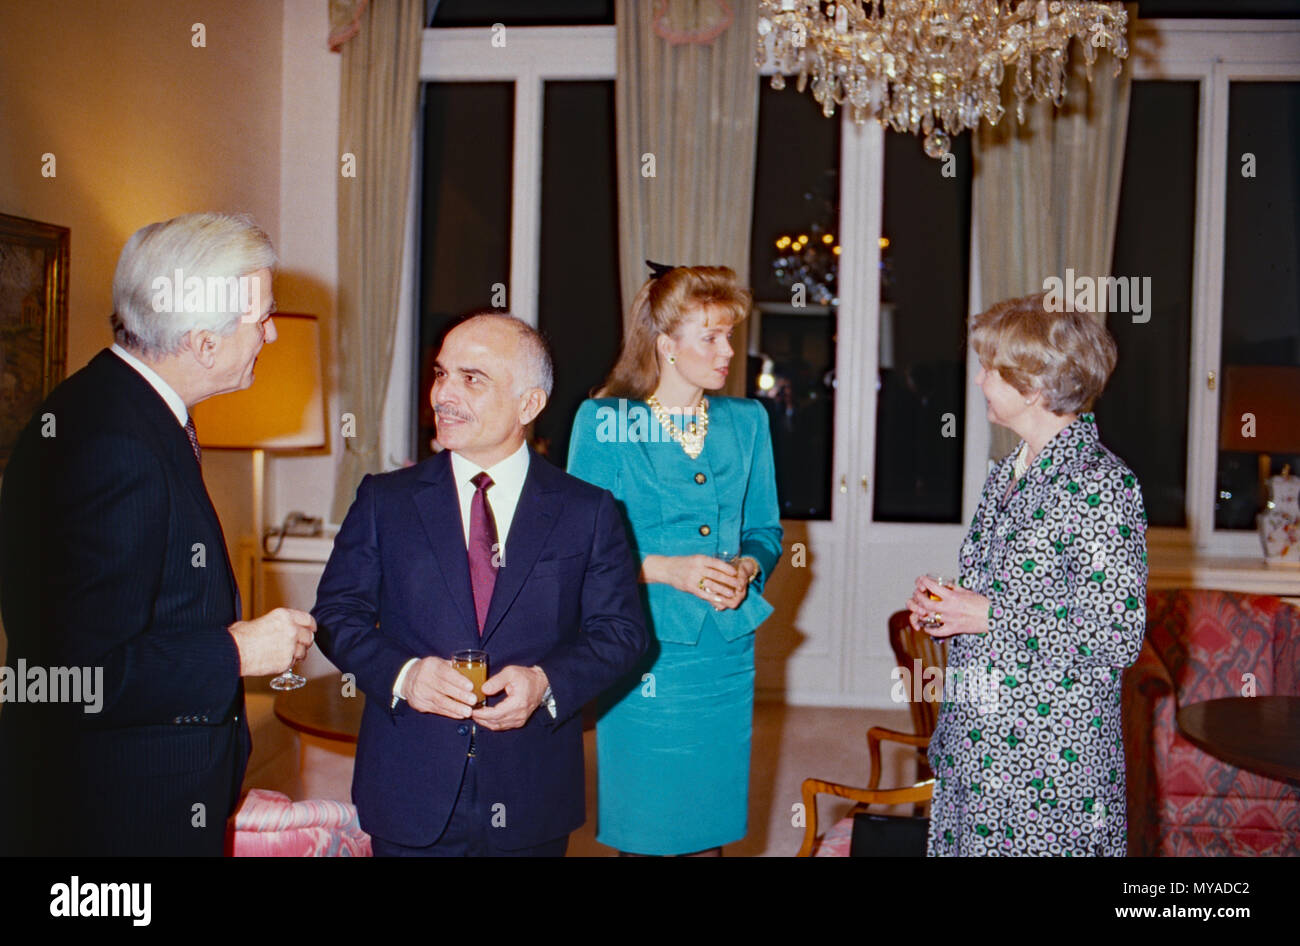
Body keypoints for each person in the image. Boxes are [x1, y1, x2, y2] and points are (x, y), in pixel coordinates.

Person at [0, 212, 317, 856]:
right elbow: (70, 675)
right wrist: (239, 651)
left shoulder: (120, 409)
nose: (272, 333)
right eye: (261, 317)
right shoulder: (112, 442)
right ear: (203, 342)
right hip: (112, 822)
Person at [312, 311, 646, 857]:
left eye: (472, 379)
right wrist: (404, 675)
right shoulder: (384, 500)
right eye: (441, 374)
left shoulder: (588, 511)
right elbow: (336, 615)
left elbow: (621, 633)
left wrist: (545, 682)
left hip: (533, 790)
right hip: (407, 789)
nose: (443, 393)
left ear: (529, 404)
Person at [906, 292, 1147, 856]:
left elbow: (1116, 634)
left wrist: (986, 613)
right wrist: (952, 609)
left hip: (1045, 770)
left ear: (1034, 385)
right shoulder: (1008, 473)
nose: (978, 379)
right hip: (978, 746)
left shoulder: (1100, 485)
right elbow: (1010, 604)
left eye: (990, 368)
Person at [567, 264, 783, 856]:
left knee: (707, 828)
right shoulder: (606, 422)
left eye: (730, 335)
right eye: (710, 337)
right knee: (649, 827)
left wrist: (746, 567)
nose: (728, 351)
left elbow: (766, 529)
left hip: (725, 653)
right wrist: (670, 568)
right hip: (643, 652)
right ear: (666, 345)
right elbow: (577, 548)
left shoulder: (748, 421)